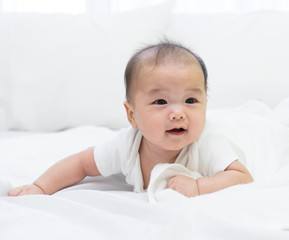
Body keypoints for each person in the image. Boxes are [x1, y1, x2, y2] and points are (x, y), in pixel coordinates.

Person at [8, 40, 255, 198]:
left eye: (191, 101)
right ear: (132, 115)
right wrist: (41, 187)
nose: (178, 113)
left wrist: (199, 187)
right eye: (160, 102)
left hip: (242, 132)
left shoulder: (207, 141)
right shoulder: (128, 146)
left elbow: (242, 175)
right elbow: (80, 164)